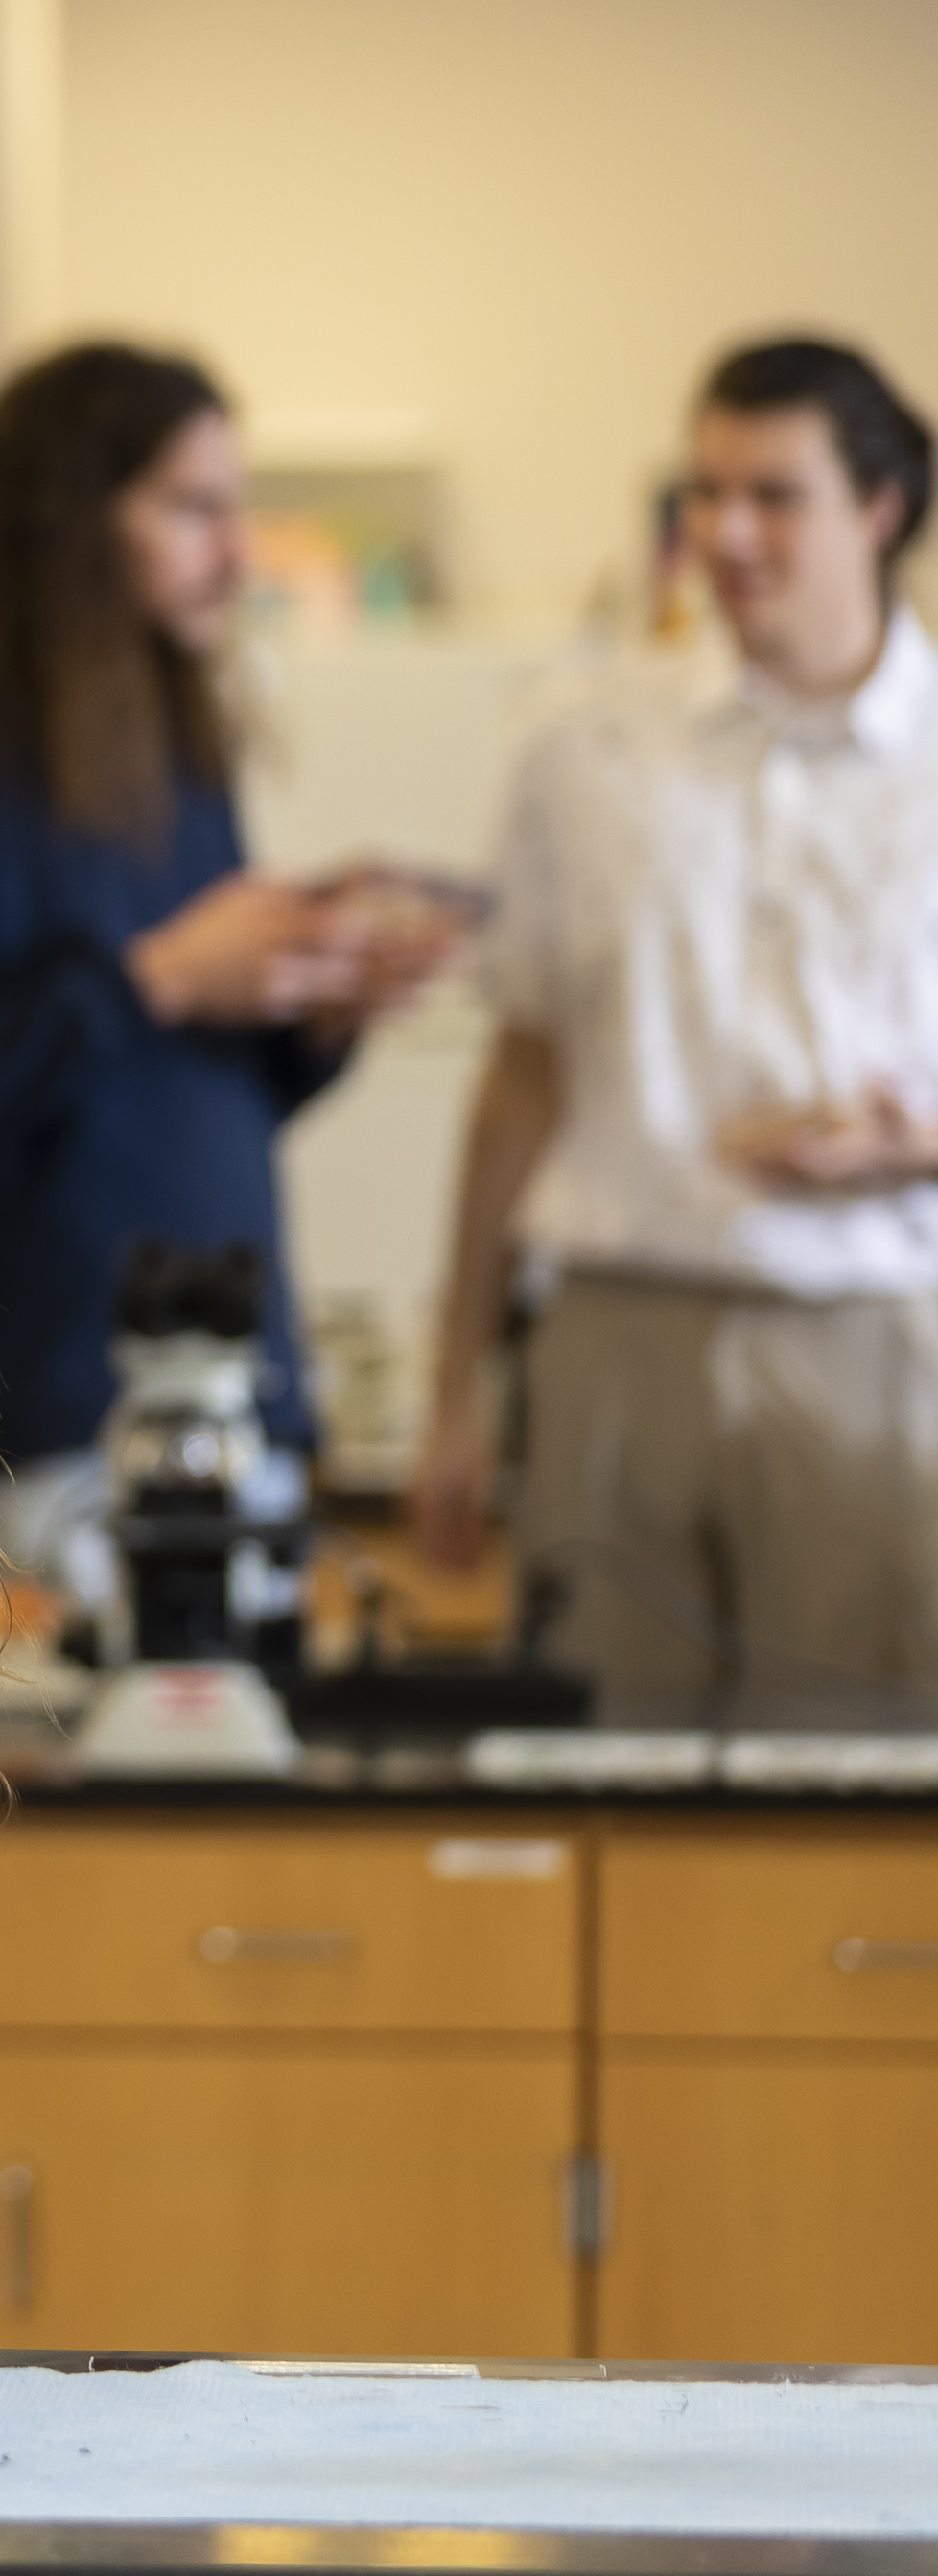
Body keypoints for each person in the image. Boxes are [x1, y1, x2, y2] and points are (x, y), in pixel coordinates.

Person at [0, 344, 446, 1589]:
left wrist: (316, 1012)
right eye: (194, 509)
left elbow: (198, 1090)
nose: (237, 551)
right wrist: (155, 975)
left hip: (232, 1394)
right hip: (48, 1421)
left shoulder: (176, 746)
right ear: (70, 521)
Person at [410, 339, 938, 1727]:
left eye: (775, 494)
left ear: (880, 508)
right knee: (598, 1782)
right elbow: (516, 1082)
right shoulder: (578, 741)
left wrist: (912, 1142)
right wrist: (453, 1390)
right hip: (610, 1336)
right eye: (704, 494)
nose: (728, 535)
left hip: (874, 1341)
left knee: (857, 1805)